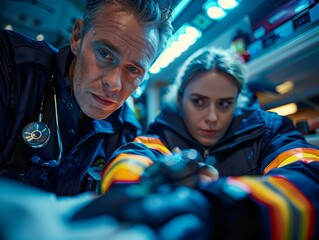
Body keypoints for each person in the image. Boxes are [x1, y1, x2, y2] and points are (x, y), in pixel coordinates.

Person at [96, 47, 319, 239]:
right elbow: (127, 163)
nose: (212, 117)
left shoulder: (271, 131)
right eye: (199, 102)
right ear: (181, 99)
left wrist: (218, 208)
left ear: (238, 101)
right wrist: (142, 193)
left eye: (224, 104)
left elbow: (311, 176)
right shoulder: (160, 136)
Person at [0, 0, 173, 196]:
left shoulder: (124, 129)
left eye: (133, 69)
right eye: (105, 53)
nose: (114, 83)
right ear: (77, 37)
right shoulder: (11, 65)